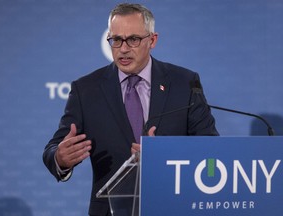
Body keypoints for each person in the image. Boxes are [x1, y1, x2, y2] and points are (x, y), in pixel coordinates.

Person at [43, 3, 219, 216]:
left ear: (152, 40)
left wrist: (167, 154)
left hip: (174, 207)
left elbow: (211, 149)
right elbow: (54, 148)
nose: (123, 49)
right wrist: (60, 159)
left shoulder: (184, 82)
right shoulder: (86, 90)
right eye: (116, 40)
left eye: (133, 39)